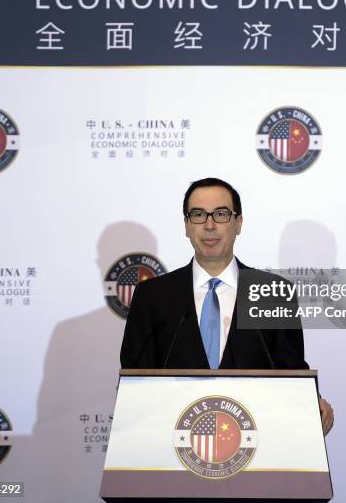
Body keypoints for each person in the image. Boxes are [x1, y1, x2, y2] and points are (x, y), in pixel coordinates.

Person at [120, 177, 334, 434]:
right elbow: (134, 378)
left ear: (238, 223)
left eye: (221, 214)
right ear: (187, 225)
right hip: (170, 444)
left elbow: (290, 370)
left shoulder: (272, 293)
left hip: (256, 443)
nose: (209, 225)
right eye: (198, 215)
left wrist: (311, 400)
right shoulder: (152, 295)